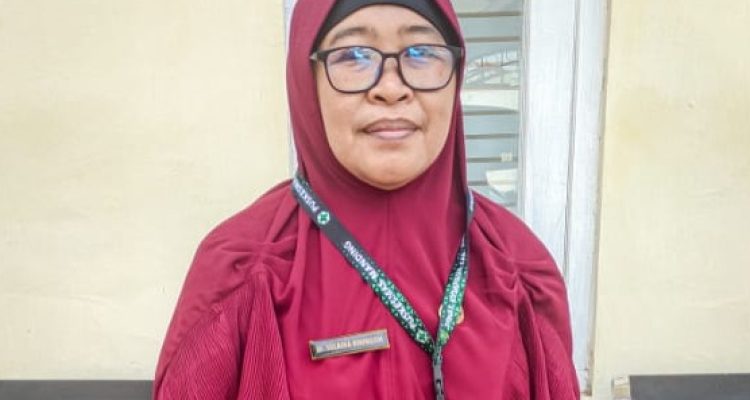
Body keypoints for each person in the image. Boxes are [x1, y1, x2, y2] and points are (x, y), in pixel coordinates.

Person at [153, 0, 580, 399]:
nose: (391, 88)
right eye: (353, 55)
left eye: (421, 52)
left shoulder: (517, 265)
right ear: (306, 79)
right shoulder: (242, 271)